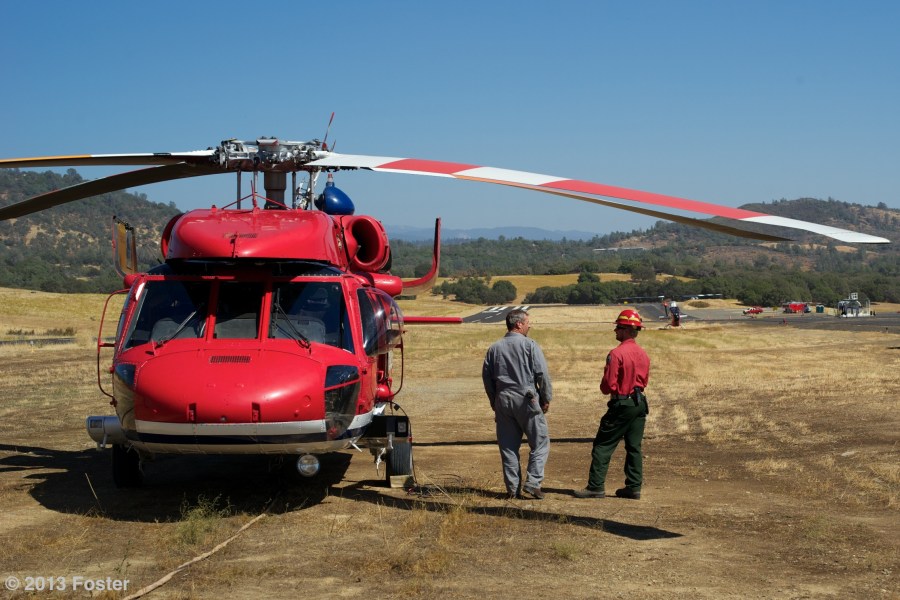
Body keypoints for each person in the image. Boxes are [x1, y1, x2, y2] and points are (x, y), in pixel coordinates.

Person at [574, 309, 650, 500]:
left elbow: (608, 385)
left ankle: (595, 486)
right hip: (639, 403)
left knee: (603, 445)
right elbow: (645, 380)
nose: (615, 330)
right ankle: (634, 487)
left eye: (618, 327)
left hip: (622, 403)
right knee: (634, 446)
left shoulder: (616, 354)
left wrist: (609, 388)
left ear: (626, 330)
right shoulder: (643, 353)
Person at [482, 308, 552, 500]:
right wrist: (546, 398)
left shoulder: (494, 348)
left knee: (508, 447)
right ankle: (533, 483)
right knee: (540, 443)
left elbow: (487, 378)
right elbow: (542, 374)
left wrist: (494, 400)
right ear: (519, 324)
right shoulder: (530, 345)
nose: (530, 325)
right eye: (528, 322)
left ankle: (512, 490)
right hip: (526, 398)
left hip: (502, 399)